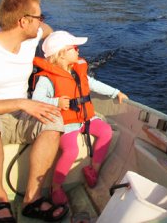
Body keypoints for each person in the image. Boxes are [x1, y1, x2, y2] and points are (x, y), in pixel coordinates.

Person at [0, 0, 68, 223]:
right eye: (39, 16)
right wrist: (21, 102)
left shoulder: (31, 37)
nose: (42, 21)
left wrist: (56, 41)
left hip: (20, 116)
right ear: (23, 21)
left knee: (54, 119)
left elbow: (47, 31)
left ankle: (32, 199)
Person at [31, 30, 128, 205]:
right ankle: (56, 187)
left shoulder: (77, 71)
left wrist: (116, 92)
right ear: (60, 55)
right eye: (74, 48)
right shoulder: (46, 79)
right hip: (66, 123)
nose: (78, 51)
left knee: (106, 132)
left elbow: (93, 84)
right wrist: (56, 102)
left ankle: (93, 169)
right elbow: (36, 100)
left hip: (85, 118)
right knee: (71, 150)